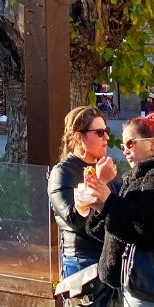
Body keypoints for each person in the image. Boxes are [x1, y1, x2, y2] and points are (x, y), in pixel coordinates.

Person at [76, 113, 154, 307]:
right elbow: (114, 231)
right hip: (145, 284)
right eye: (123, 145)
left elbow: (147, 230)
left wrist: (108, 202)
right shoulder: (140, 178)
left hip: (148, 285)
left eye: (131, 143)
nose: (125, 150)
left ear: (153, 145)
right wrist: (101, 206)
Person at [48, 106, 118, 279]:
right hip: (82, 262)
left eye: (106, 131)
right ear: (79, 137)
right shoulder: (62, 172)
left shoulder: (102, 166)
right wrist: (100, 182)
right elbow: (75, 220)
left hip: (109, 258)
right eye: (99, 133)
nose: (106, 138)